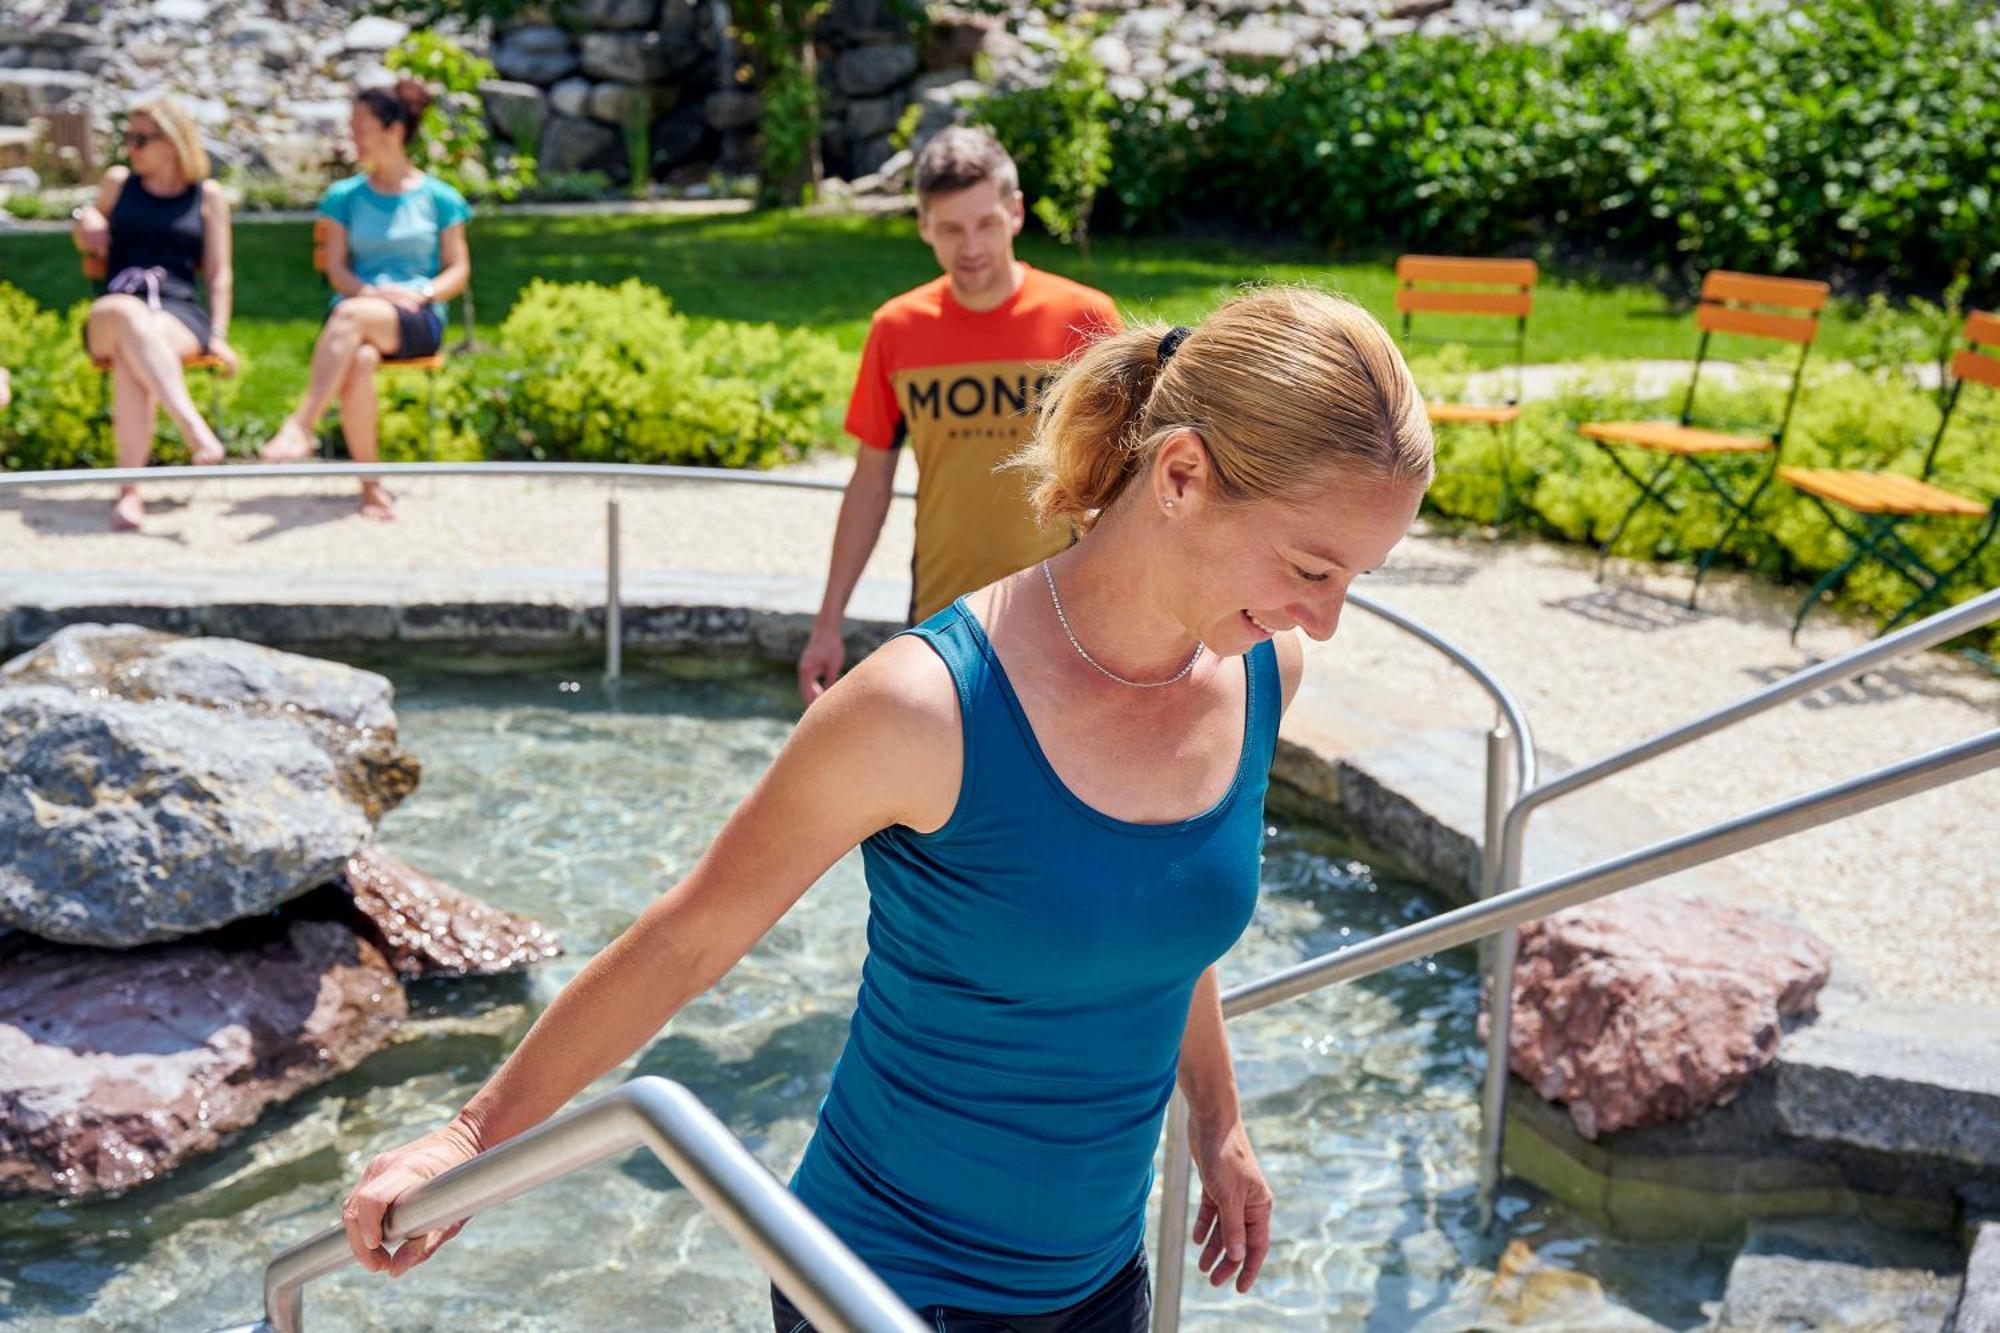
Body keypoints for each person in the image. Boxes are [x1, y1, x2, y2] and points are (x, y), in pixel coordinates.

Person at [338, 286, 1434, 1331]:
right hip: (880, 1287)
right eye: (1311, 568)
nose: (1326, 622)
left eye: (1353, 581)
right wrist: (469, 1137)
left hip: (1100, 1282)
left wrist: (1219, 1118)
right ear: (1183, 475)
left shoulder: (1258, 675)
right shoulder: (926, 707)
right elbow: (688, 939)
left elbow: (1154, 915)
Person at [796, 126, 1121, 703]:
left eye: (985, 224)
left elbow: (1127, 477)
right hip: (942, 620)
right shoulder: (896, 330)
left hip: (1068, 614)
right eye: (950, 228)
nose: (970, 246)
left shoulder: (1085, 318)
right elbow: (870, 484)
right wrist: (828, 624)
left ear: (1015, 213)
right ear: (923, 226)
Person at [259, 79, 470, 521]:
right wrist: (371, 292)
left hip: (416, 318)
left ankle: (302, 425)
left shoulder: (440, 198)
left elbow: (457, 270)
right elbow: (337, 270)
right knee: (359, 358)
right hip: (361, 313)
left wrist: (421, 292)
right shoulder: (344, 198)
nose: (352, 135)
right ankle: (371, 489)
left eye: (361, 126)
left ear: (393, 130)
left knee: (350, 317)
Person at [72, 97, 238, 531]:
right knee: (129, 318)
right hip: (114, 307)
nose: (132, 147)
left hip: (178, 313)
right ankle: (192, 428)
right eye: (128, 138)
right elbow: (86, 226)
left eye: (142, 139)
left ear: (173, 142)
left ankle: (130, 493)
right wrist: (85, 217)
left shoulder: (207, 196)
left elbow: (220, 274)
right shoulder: (118, 183)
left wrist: (218, 333)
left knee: (135, 355)